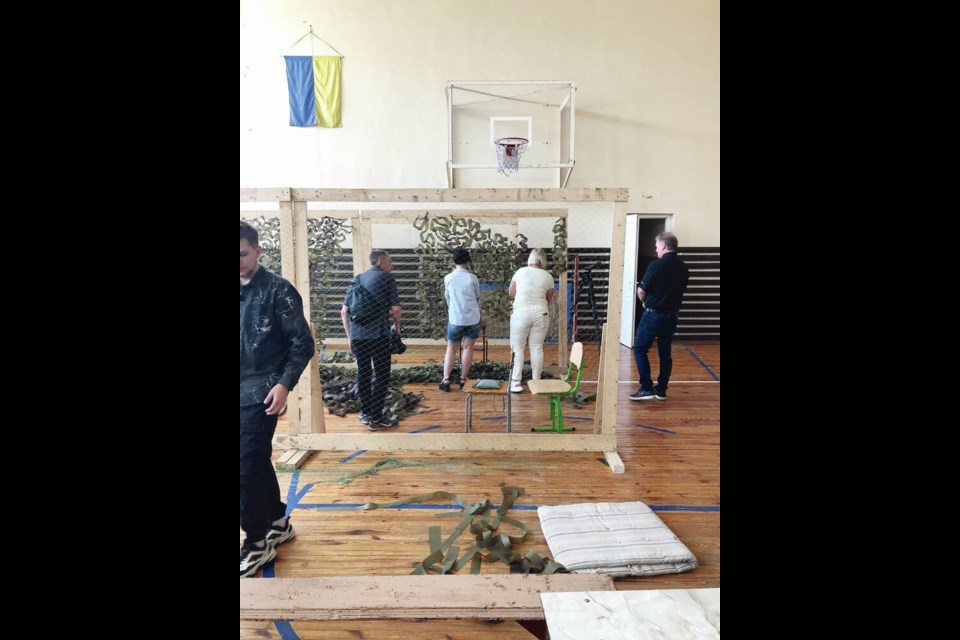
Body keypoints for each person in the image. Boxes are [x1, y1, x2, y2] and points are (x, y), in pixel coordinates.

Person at [240, 220, 315, 578]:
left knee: (244, 466)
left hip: (263, 390)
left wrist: (285, 384)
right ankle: (276, 522)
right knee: (254, 460)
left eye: (241, 254)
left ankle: (257, 543)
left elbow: (303, 344)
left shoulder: (278, 291)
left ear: (257, 251)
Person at [340, 250, 402, 431]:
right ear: (381, 262)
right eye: (390, 262)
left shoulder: (356, 279)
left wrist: (350, 337)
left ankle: (365, 413)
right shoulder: (387, 278)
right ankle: (376, 418)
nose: (392, 265)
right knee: (382, 375)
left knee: (364, 373)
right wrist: (397, 330)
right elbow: (396, 309)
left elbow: (344, 312)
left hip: (358, 336)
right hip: (379, 335)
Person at [630, 232, 690, 401]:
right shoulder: (683, 267)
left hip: (653, 315)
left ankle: (646, 387)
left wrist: (645, 303)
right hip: (672, 317)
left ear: (663, 246)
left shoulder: (655, 265)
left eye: (656, 246)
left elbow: (641, 290)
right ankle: (661, 390)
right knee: (665, 352)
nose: (655, 249)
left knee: (640, 349)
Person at [508, 248, 556, 393]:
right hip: (541, 313)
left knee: (518, 347)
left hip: (521, 312)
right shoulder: (548, 276)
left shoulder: (520, 272)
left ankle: (516, 382)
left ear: (530, 258)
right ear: (543, 260)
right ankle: (536, 381)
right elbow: (548, 299)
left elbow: (511, 293)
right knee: (536, 347)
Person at [440, 248, 482, 392]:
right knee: (468, 348)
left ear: (453, 261)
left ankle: (446, 380)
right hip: (472, 318)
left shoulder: (448, 278)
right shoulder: (472, 278)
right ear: (468, 261)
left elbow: (448, 298)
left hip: (455, 318)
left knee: (451, 348)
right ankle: (463, 380)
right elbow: (477, 297)